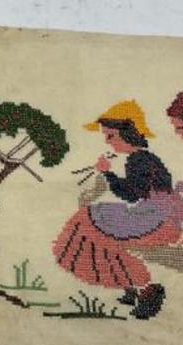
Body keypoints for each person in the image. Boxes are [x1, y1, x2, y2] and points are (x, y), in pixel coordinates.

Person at [53, 100, 182, 319]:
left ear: (128, 134)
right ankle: (131, 285)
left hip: (155, 218)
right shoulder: (142, 158)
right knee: (96, 225)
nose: (107, 141)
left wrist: (108, 173)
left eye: (111, 136)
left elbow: (131, 194)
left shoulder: (139, 160)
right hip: (154, 213)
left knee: (87, 221)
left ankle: (146, 287)